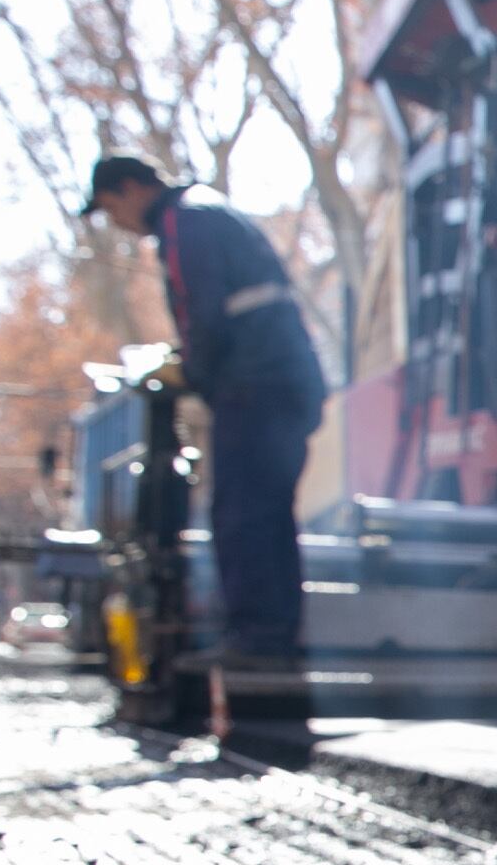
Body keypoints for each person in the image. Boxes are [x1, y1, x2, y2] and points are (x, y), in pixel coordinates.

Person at [85, 155, 327, 666]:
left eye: (112, 210)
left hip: (254, 383)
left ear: (130, 189)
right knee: (268, 510)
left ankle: (259, 640)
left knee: (240, 512)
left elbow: (203, 307)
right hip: (284, 378)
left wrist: (191, 370)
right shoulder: (210, 210)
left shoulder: (183, 220)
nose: (120, 225)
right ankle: (275, 636)